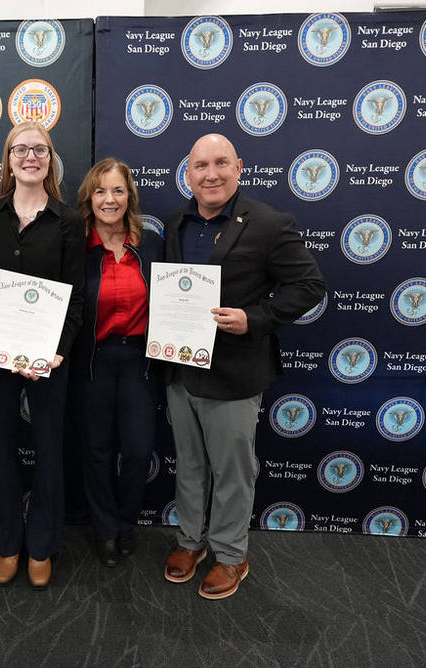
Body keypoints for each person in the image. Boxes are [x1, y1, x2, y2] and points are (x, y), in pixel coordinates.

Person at [162, 134, 324, 599]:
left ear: (239, 167)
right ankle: (190, 542)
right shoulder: (176, 222)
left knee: (232, 471)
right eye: (200, 165)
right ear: (188, 173)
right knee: (189, 464)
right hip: (181, 367)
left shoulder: (269, 223)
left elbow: (309, 286)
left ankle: (231, 554)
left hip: (233, 373)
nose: (211, 174)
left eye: (221, 163)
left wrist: (254, 319)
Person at [0, 121, 84, 589]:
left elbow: (76, 295)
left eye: (40, 150)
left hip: (48, 358)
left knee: (49, 449)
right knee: (1, 447)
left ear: (50, 161)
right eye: (21, 149)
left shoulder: (68, 221)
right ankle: (7, 543)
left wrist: (58, 351)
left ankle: (42, 546)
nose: (31, 156)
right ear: (9, 160)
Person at [71, 158, 163, 567]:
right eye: (100, 191)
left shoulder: (152, 245)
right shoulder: (77, 248)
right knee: (97, 450)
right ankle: (105, 529)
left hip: (139, 361)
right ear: (89, 198)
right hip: (93, 361)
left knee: (139, 451)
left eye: (118, 190)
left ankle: (127, 524)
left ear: (130, 197)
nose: (109, 199)